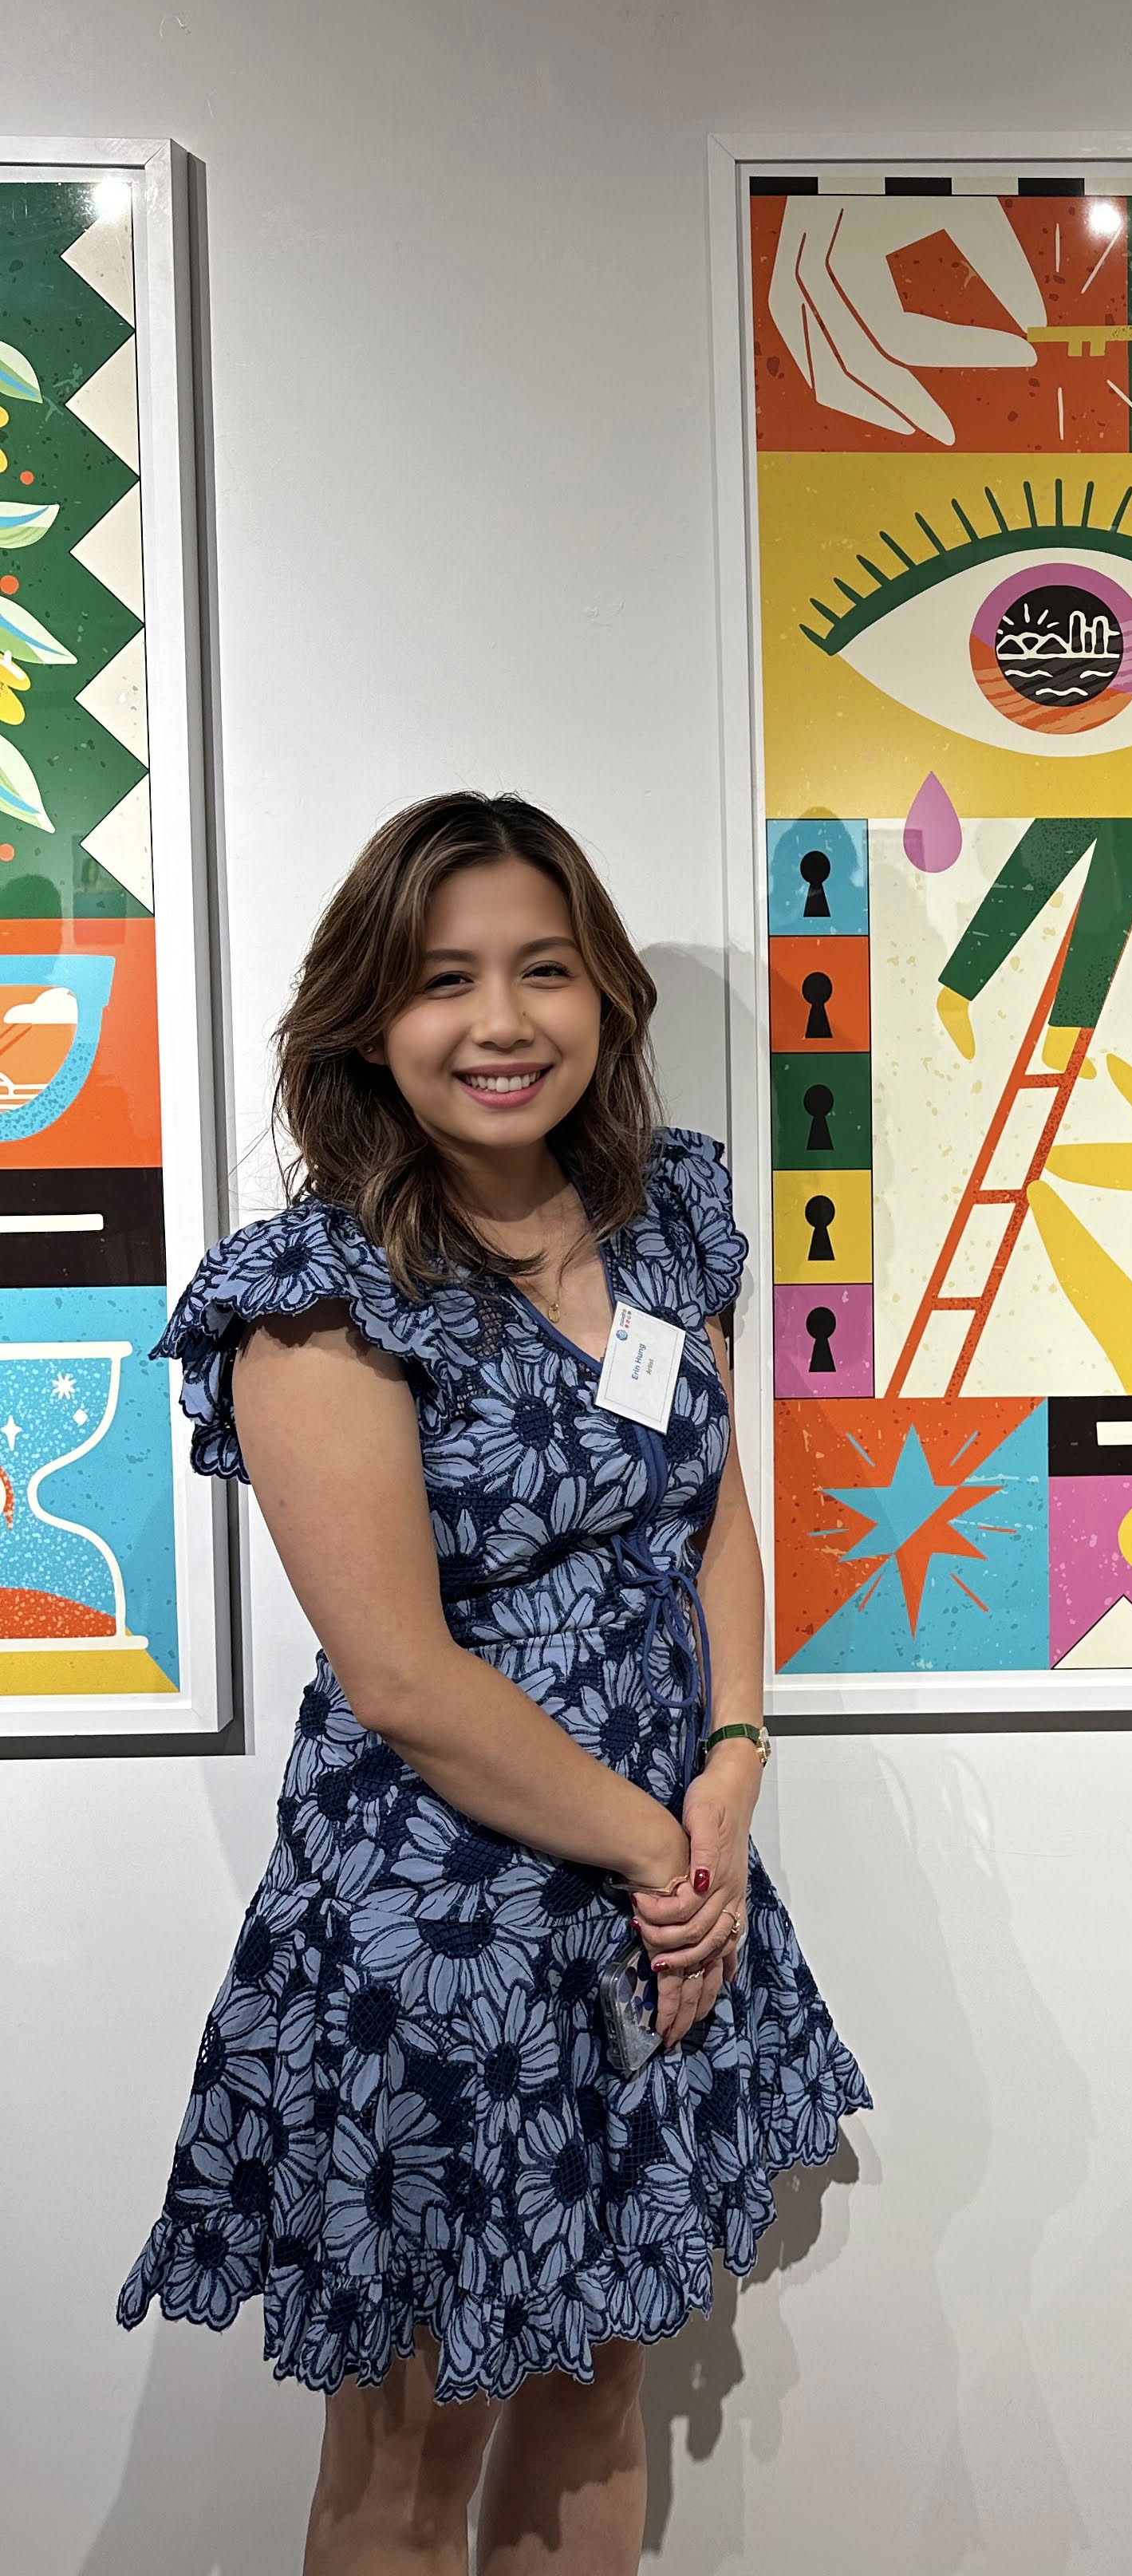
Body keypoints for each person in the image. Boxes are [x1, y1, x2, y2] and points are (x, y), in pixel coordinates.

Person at [118, 793, 868, 2574]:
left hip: (666, 1887)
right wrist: (661, 1850)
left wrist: (734, 1763)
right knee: (408, 2458)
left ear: (602, 992)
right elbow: (401, 1677)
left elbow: (712, 1510)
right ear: (369, 1017)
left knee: (602, 2388)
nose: (501, 1021)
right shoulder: (318, 1296)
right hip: (443, 1929)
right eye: (444, 979)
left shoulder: (665, 1220)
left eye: (544, 969)